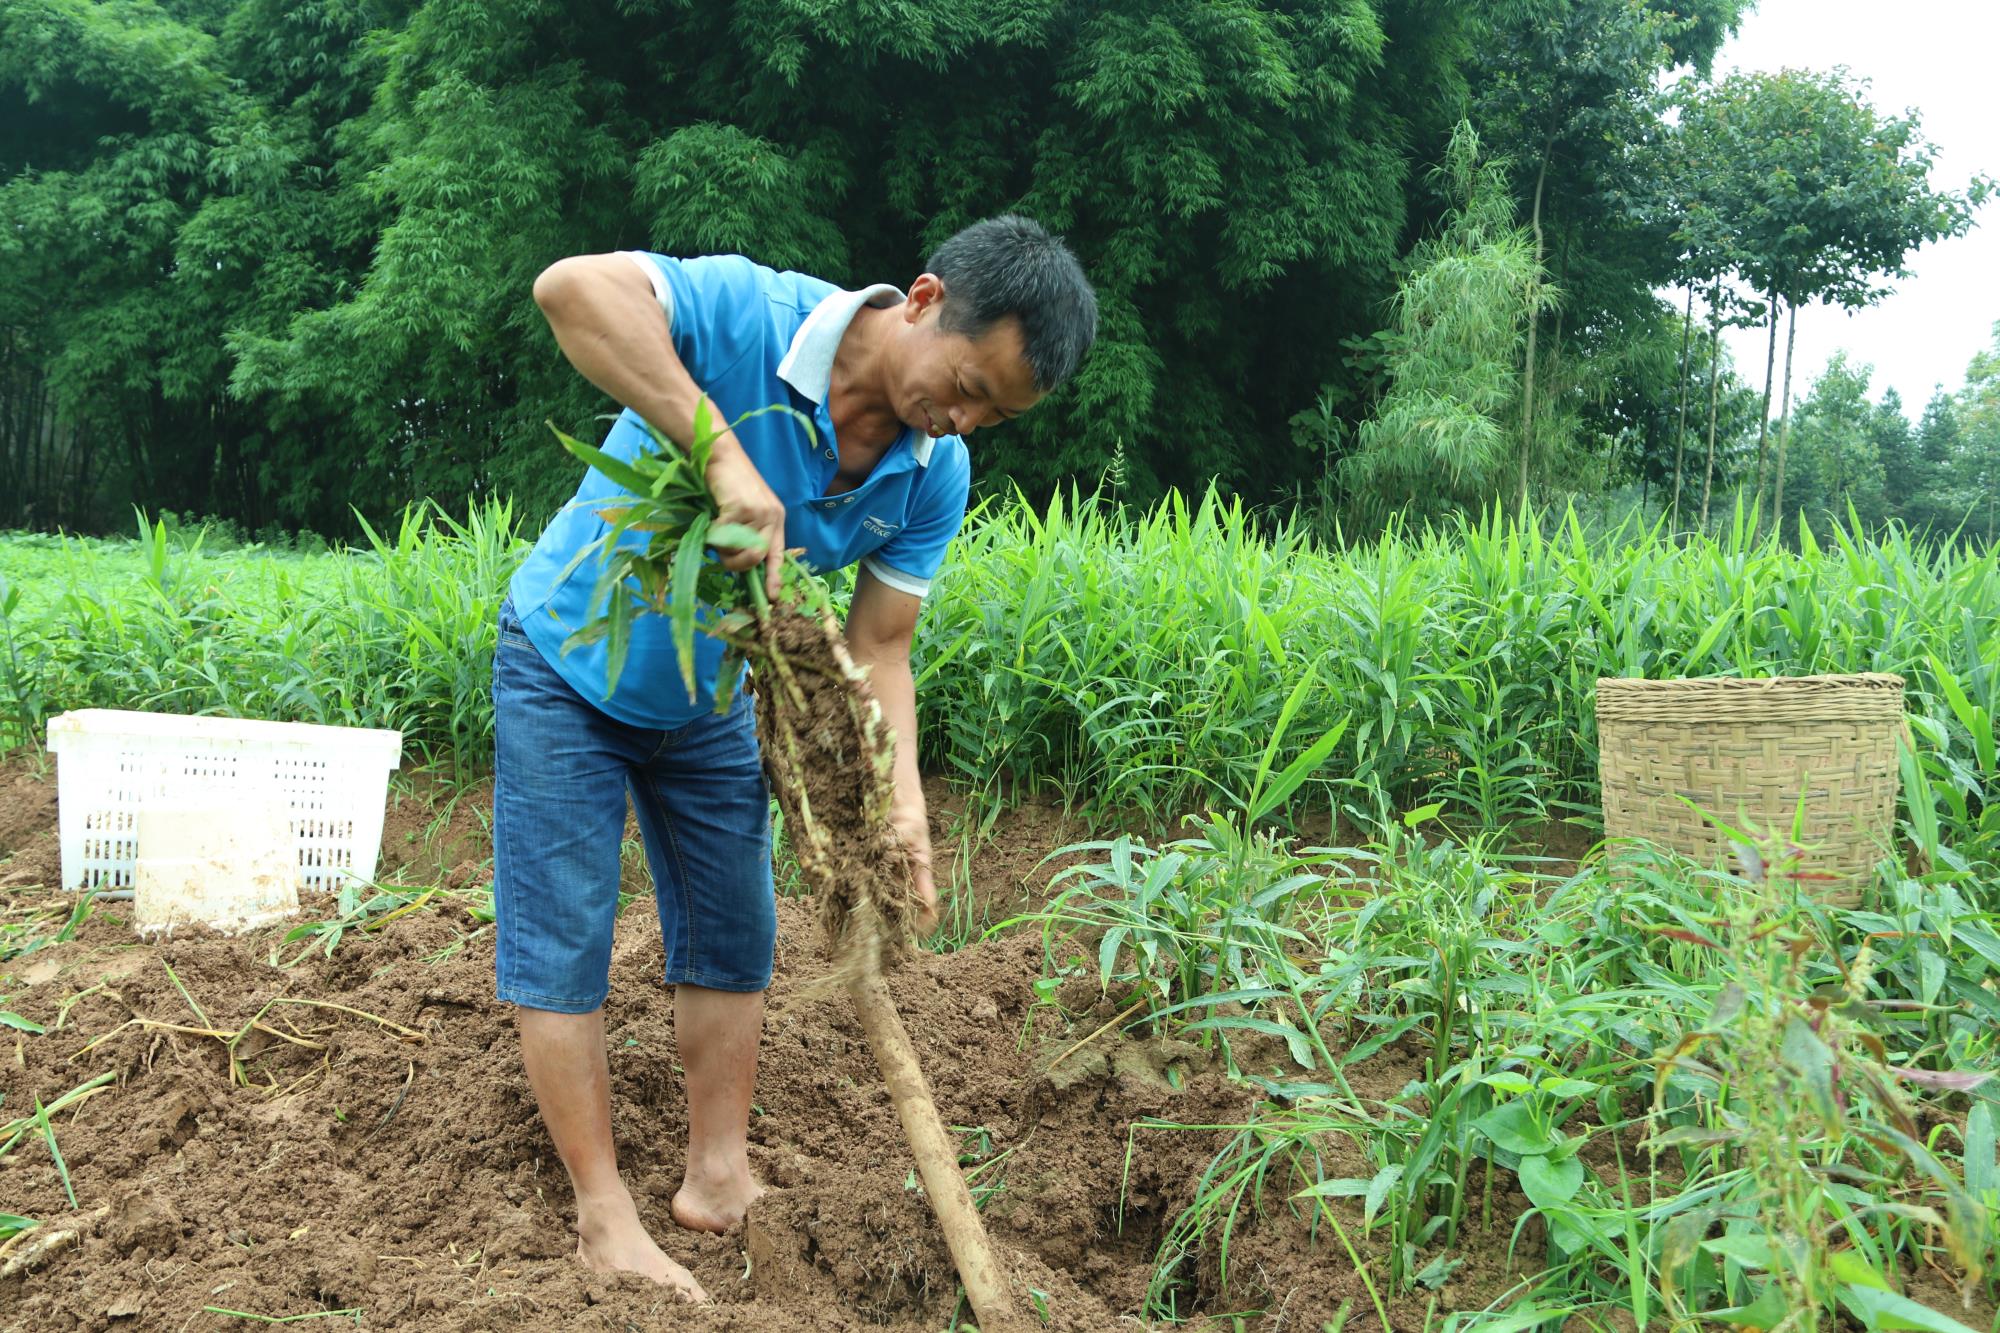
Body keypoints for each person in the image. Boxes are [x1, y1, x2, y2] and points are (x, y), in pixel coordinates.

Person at [492, 216, 1097, 1301]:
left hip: (715, 692)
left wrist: (898, 806)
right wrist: (720, 455)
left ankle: (716, 1178)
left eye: (990, 416)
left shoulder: (930, 474)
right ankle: (603, 1215)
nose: (959, 421)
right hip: (566, 663)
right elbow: (569, 288)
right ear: (920, 300)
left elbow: (878, 648)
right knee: (564, 928)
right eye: (963, 385)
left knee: (734, 928)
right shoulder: (747, 313)